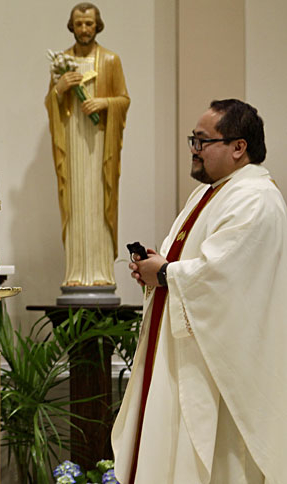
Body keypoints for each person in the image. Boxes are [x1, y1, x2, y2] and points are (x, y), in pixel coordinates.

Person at [112, 100, 287, 483]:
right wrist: (158, 270)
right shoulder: (212, 192)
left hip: (219, 368)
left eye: (202, 141)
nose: (194, 148)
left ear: (238, 147)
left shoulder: (255, 198)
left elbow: (226, 278)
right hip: (182, 352)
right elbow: (198, 265)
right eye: (193, 139)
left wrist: (169, 273)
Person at [46, 2, 130, 288]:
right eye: (79, 24)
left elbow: (123, 99)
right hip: (72, 145)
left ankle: (101, 272)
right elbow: (52, 104)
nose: (84, 29)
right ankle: (76, 272)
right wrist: (59, 89)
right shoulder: (61, 62)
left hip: (99, 145)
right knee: (75, 203)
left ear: (97, 26)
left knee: (98, 201)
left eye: (89, 24)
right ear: (72, 26)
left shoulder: (110, 60)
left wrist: (104, 102)